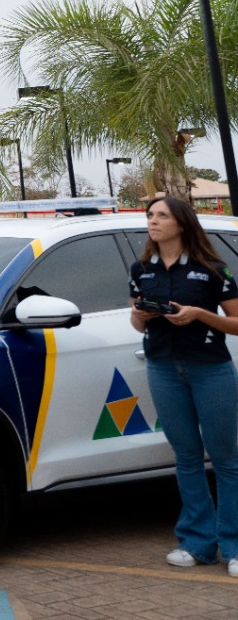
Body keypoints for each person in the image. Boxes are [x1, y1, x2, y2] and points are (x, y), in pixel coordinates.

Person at [129, 195, 238, 575]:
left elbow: (237, 321)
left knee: (226, 458)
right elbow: (139, 324)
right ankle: (196, 543)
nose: (153, 221)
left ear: (181, 223)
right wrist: (138, 315)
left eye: (161, 215)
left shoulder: (213, 269)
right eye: (150, 215)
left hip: (210, 369)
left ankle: (234, 546)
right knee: (187, 457)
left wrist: (200, 315)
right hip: (162, 368)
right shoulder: (142, 269)